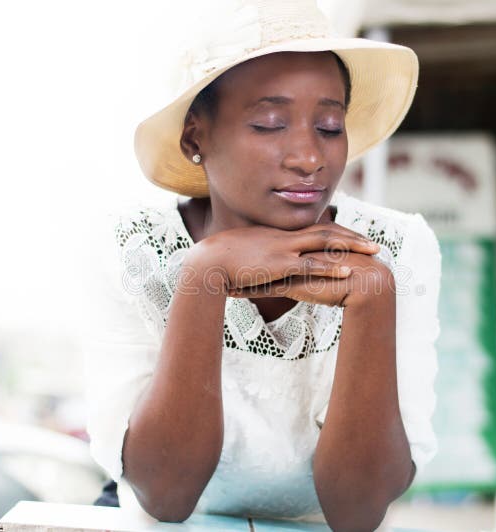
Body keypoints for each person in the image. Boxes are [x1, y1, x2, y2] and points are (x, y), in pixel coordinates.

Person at [82, 1, 441, 530]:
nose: (309, 157)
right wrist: (205, 275)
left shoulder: (396, 248)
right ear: (194, 137)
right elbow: (166, 495)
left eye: (329, 125)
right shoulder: (130, 248)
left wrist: (372, 298)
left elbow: (358, 510)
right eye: (269, 123)